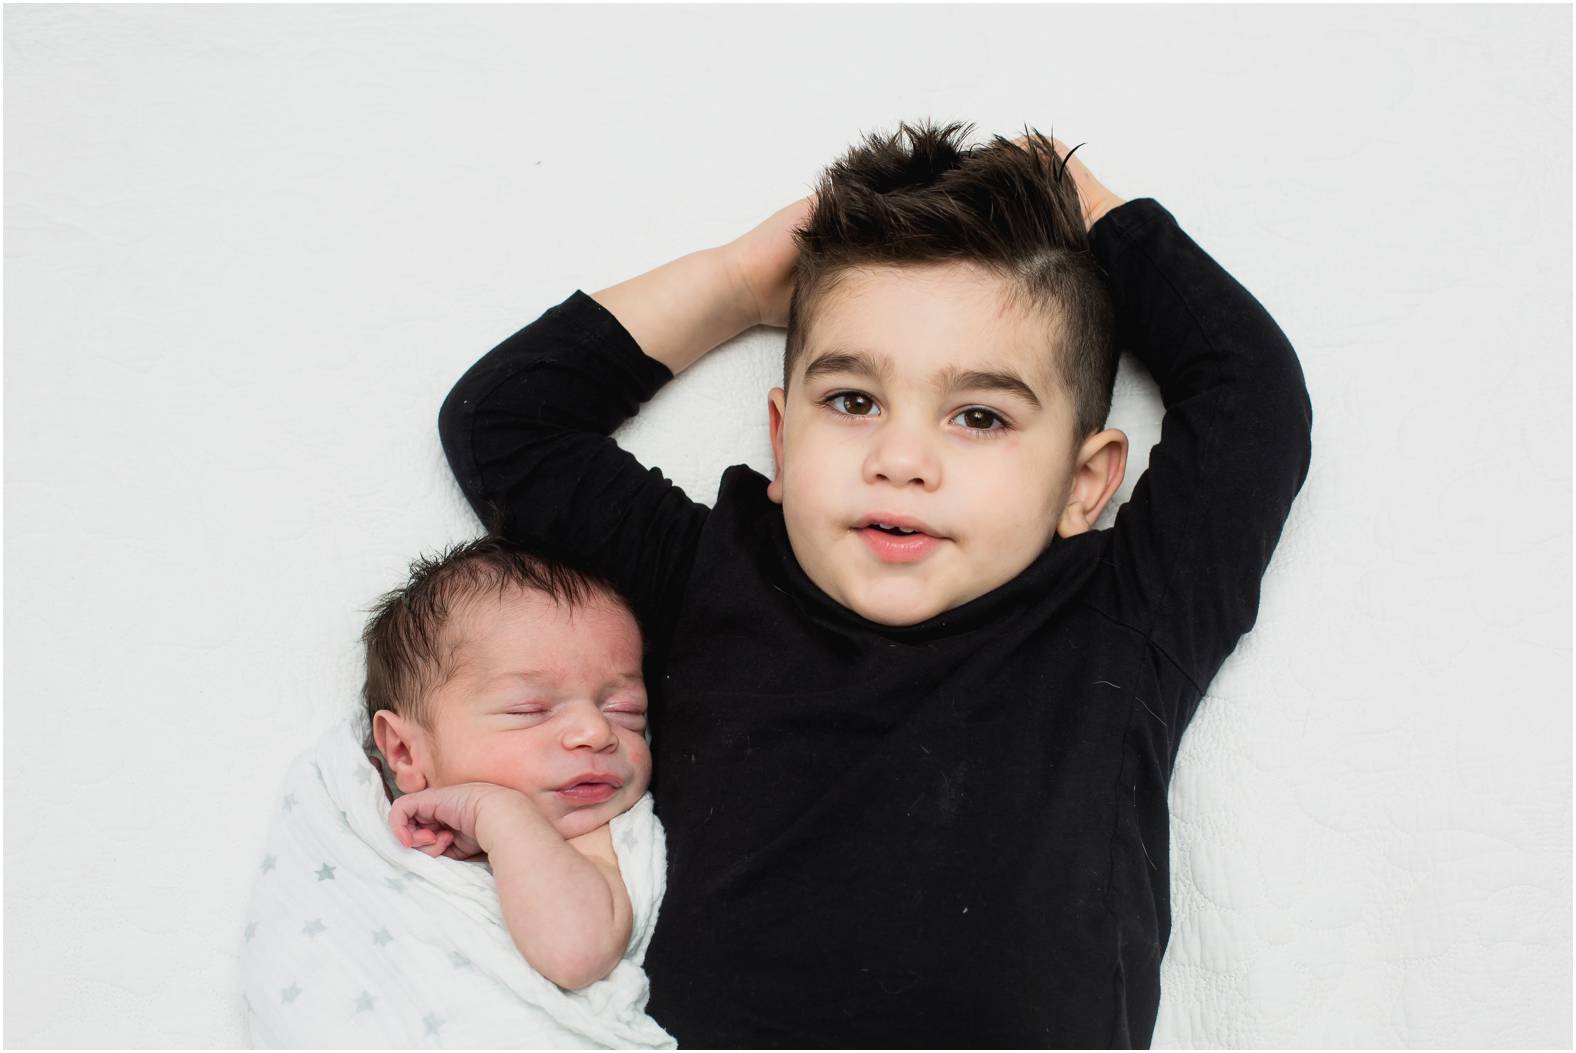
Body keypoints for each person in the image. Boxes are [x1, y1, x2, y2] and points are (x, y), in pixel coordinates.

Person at [437, 121, 1314, 1047]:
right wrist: (736, 284)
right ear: (782, 438)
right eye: (852, 401)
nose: (901, 458)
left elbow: (1251, 396)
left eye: (979, 416)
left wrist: (1103, 221)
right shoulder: (716, 579)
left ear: (1084, 484)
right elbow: (504, 422)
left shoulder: (1123, 613)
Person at [239, 537, 675, 1049]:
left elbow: (575, 954)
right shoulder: (351, 815)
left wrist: (502, 815)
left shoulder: (596, 835)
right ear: (404, 753)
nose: (596, 733)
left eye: (625, 711)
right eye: (530, 709)